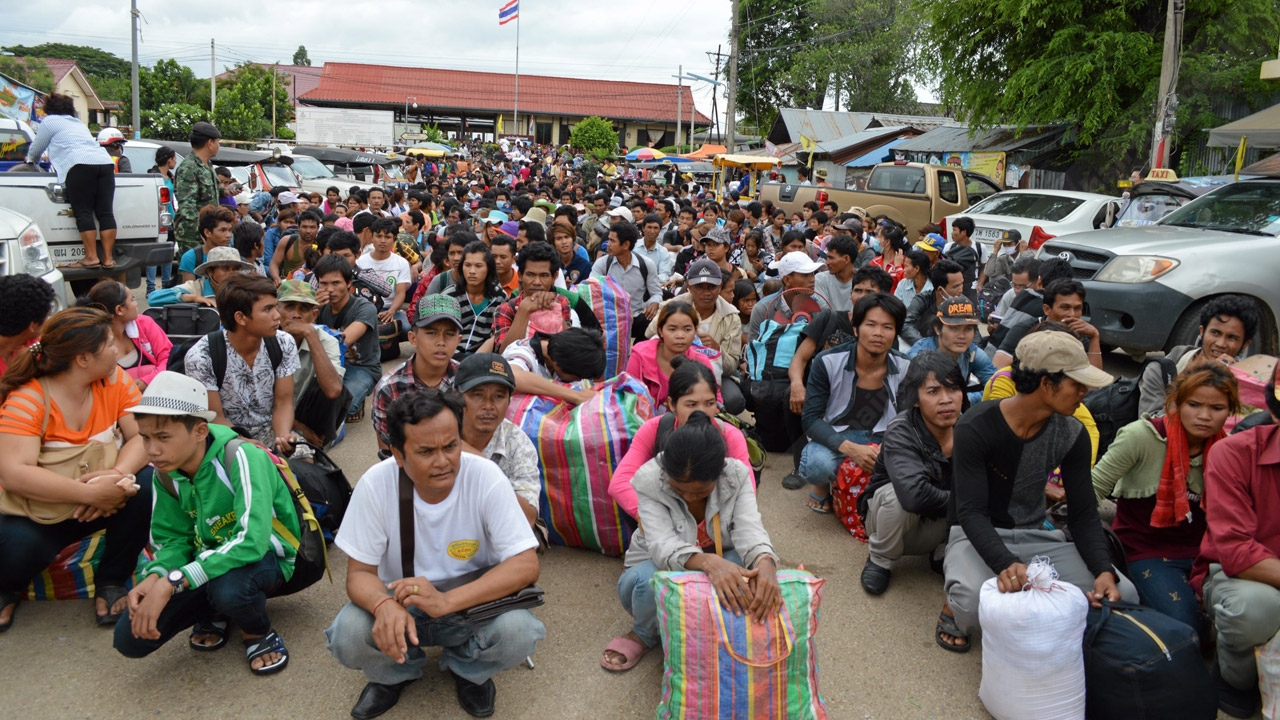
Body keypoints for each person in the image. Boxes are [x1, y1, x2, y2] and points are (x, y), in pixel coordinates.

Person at [325, 390, 544, 720]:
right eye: (426, 451)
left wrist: (447, 602)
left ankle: (469, 670)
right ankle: (393, 673)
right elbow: (358, 575)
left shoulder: (486, 477)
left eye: (451, 446)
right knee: (348, 634)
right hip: (400, 600)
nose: (443, 461)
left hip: (470, 602)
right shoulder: (375, 485)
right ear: (397, 454)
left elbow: (526, 564)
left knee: (519, 632)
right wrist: (383, 605)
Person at [942, 331, 1138, 652]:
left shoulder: (1072, 432)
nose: (1084, 392)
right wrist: (1005, 563)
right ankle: (953, 601)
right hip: (974, 534)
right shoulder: (976, 426)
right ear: (1047, 384)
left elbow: (1083, 513)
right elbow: (970, 512)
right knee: (970, 604)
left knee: (1123, 594)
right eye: (1077, 384)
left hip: (1035, 536)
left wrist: (1102, 569)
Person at [112, 372, 303, 675]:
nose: (152, 450)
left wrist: (174, 582)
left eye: (163, 437)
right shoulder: (165, 473)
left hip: (267, 559)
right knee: (130, 638)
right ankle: (212, 606)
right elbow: (173, 539)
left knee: (230, 589)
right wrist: (156, 575)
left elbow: (253, 540)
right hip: (205, 563)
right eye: (145, 437)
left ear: (200, 431)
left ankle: (257, 631)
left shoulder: (241, 456)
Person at [0, 307, 151, 631]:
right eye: (110, 344)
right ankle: (7, 588)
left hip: (101, 500)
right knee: (16, 548)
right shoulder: (28, 399)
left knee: (147, 484)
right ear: (83, 358)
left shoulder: (114, 381)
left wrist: (116, 476)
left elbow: (141, 436)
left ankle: (111, 579)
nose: (117, 349)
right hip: (40, 512)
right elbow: (14, 473)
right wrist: (89, 493)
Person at [602, 411, 780, 672]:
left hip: (724, 555)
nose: (689, 497)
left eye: (700, 491)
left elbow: (749, 528)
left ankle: (714, 627)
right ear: (665, 473)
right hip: (659, 562)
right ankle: (645, 632)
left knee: (752, 574)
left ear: (720, 473)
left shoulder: (737, 475)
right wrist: (707, 562)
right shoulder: (648, 479)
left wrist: (766, 563)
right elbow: (662, 546)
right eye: (678, 489)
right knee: (646, 580)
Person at [1092, 363, 1239, 638]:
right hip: (1146, 551)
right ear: (1176, 402)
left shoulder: (1229, 451)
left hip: (1206, 554)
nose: (1204, 416)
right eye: (1194, 404)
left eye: (1217, 408)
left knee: (1239, 621)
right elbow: (1092, 490)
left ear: (1230, 411)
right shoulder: (1141, 437)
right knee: (1188, 630)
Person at [1193, 361, 1280, 718]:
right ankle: (1235, 681)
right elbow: (1237, 551)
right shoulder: (1234, 453)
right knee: (1256, 609)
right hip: (1240, 577)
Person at [859, 351, 967, 595]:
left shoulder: (970, 428)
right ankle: (880, 559)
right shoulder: (902, 429)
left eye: (953, 389)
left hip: (940, 523)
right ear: (915, 398)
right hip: (894, 522)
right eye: (933, 391)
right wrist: (971, 503)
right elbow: (914, 496)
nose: (946, 400)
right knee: (897, 496)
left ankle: (943, 551)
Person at [799, 293, 908, 513]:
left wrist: (885, 448)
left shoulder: (906, 366)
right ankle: (823, 484)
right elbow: (810, 419)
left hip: (883, 437)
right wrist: (852, 449)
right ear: (856, 329)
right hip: (838, 435)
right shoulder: (828, 361)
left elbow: (907, 419)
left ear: (895, 332)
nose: (879, 333)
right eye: (871, 325)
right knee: (817, 465)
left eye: (888, 327)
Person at [610, 356, 754, 520]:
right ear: (671, 404)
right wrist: (656, 519)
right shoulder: (654, 429)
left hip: (716, 526)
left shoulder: (730, 435)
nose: (702, 412)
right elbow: (620, 483)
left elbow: (746, 491)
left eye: (709, 403)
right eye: (691, 404)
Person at [184, 274, 300, 453]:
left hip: (270, 430)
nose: (278, 316)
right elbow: (214, 418)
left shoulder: (283, 342)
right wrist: (243, 443)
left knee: (306, 467)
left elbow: (283, 403)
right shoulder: (202, 356)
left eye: (275, 306)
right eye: (267, 309)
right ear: (241, 318)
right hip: (225, 437)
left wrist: (283, 437)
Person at [23, 93, 119, 269]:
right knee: (105, 213)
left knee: (83, 212)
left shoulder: (50, 121)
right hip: (104, 163)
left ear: (49, 109)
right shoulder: (78, 123)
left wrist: (31, 163)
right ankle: (108, 258)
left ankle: (91, 257)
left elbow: (36, 148)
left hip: (79, 164)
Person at [645, 259, 745, 414]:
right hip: (669, 368)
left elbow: (731, 366)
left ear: (719, 287)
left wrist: (717, 349)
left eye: (712, 287)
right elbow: (650, 336)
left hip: (712, 375)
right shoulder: (673, 305)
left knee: (733, 400)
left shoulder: (731, 316)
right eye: (699, 287)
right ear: (689, 286)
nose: (706, 292)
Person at [456, 353, 541, 528]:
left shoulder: (518, 444)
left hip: (495, 532)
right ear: (457, 397)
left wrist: (483, 468)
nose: (488, 406)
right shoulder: (436, 432)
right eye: (478, 395)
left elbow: (528, 518)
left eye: (499, 397)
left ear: (510, 400)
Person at [1137, 294, 1259, 416]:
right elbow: (1149, 424)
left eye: (1232, 337)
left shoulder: (1249, 386)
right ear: (1202, 331)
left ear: (1245, 344)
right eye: (1215, 333)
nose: (1221, 344)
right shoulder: (1163, 370)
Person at [372, 294, 463, 452]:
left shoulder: (467, 380)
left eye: (449, 334)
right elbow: (388, 451)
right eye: (431, 333)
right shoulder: (389, 387)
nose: (441, 342)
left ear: (458, 340)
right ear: (413, 338)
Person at [277, 280, 346, 448]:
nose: (296, 314)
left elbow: (333, 390)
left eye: (304, 309)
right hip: (273, 413)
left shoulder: (325, 339)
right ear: (277, 311)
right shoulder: (266, 340)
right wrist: (300, 428)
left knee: (340, 389)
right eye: (290, 307)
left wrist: (310, 334)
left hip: (304, 410)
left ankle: (318, 446)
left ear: (314, 315)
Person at [314, 255, 382, 424]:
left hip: (362, 368)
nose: (329, 289)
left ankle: (358, 400)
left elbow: (341, 341)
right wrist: (311, 310)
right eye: (324, 283)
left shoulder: (364, 308)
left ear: (349, 283)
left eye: (336, 283)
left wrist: (311, 327)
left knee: (339, 407)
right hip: (328, 365)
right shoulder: (317, 307)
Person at [77, 279, 172, 391]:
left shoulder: (144, 323)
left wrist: (148, 380)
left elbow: (168, 356)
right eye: (132, 299)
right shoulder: (95, 342)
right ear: (119, 310)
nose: (136, 303)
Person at [627, 301, 720, 408]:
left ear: (695, 332)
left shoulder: (701, 362)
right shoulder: (640, 356)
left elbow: (715, 401)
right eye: (672, 329)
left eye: (687, 329)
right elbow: (629, 400)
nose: (680, 335)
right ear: (660, 331)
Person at [907, 296, 997, 404]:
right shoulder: (918, 356)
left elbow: (997, 388)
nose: (962, 336)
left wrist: (967, 399)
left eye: (968, 329)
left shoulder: (972, 353)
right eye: (954, 328)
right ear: (937, 329)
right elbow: (910, 397)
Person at [591, 221, 661, 344]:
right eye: (609, 240)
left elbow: (656, 293)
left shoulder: (646, 264)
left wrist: (654, 303)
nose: (608, 245)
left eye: (613, 241)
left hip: (636, 317)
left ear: (626, 244)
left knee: (655, 322)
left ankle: (638, 353)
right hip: (610, 319)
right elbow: (591, 290)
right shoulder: (602, 264)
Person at [503, 327, 606, 405]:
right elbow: (513, 376)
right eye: (577, 377)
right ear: (557, 365)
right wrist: (575, 395)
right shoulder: (522, 352)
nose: (579, 380)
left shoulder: (570, 355)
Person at [446, 242, 508, 360]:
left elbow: (499, 335)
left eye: (479, 266)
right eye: (467, 265)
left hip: (485, 356)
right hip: (452, 355)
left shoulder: (499, 297)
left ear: (489, 268)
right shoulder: (449, 296)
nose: (472, 271)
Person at [173, 122, 223, 255]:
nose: (219, 146)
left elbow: (206, 193)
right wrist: (201, 232)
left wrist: (225, 191)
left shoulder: (207, 164)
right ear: (209, 143)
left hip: (207, 231)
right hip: (193, 235)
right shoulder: (189, 167)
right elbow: (187, 207)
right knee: (192, 273)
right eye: (218, 142)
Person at [147, 245, 253, 308]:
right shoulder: (196, 288)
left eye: (235, 269)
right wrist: (193, 298)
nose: (231, 273)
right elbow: (153, 298)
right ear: (210, 272)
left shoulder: (245, 289)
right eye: (225, 269)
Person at [0, 275, 56, 375]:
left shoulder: (35, 344)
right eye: (46, 317)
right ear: (33, 326)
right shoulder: (36, 347)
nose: (47, 321)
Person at [901, 259, 963, 347]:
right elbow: (906, 325)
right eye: (956, 286)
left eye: (962, 284)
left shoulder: (964, 302)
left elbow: (975, 335)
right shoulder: (922, 300)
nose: (961, 290)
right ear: (940, 290)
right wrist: (924, 345)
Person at [178, 204, 237, 282]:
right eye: (223, 230)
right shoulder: (192, 258)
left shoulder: (234, 254)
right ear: (207, 232)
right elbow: (188, 290)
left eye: (230, 230)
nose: (228, 235)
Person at [146, 145, 177, 292]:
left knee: (168, 253)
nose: (175, 161)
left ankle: (166, 285)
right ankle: (151, 288)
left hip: (170, 217)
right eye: (174, 158)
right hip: (156, 219)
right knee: (154, 254)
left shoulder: (171, 177)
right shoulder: (152, 175)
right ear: (168, 159)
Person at [814, 235, 860, 312]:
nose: (827, 262)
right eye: (827, 258)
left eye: (831, 258)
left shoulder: (864, 281)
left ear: (846, 259)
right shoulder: (820, 279)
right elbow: (824, 313)